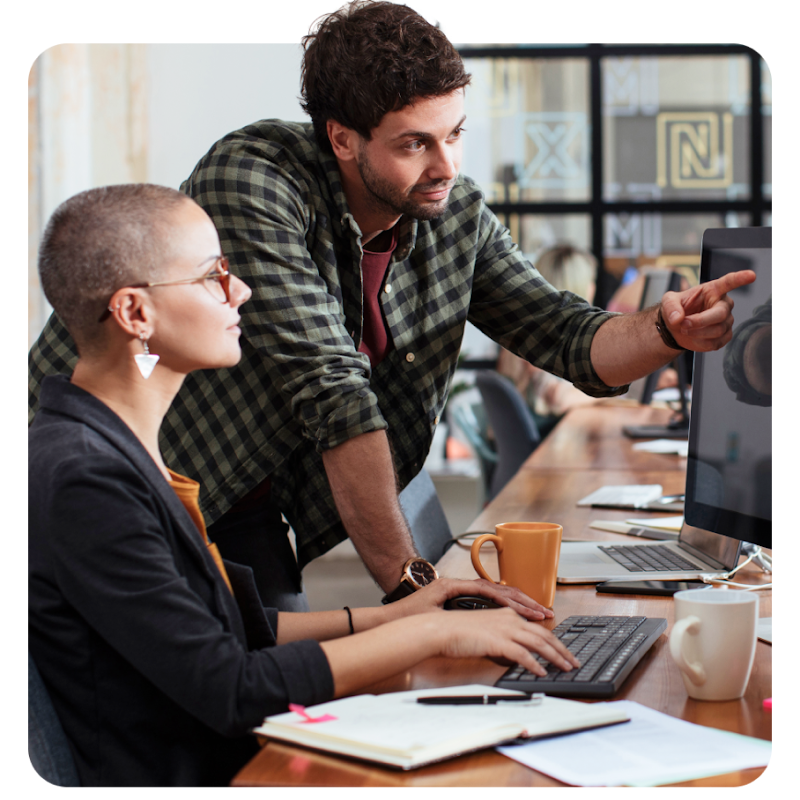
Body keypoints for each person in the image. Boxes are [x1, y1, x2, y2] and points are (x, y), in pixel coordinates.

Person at [27, 2, 755, 611]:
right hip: (115, 481)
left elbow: (564, 333)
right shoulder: (253, 179)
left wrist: (667, 329)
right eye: (415, 144)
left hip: (247, 504)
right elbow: (333, 390)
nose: (447, 167)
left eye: (455, 134)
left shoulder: (452, 211)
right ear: (341, 138)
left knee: (266, 703)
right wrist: (417, 593)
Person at [28, 184, 579, 788]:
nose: (240, 291)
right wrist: (437, 631)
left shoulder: (111, 444)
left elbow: (231, 626)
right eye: (212, 276)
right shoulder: (86, 478)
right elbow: (230, 686)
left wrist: (399, 618)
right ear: (136, 313)